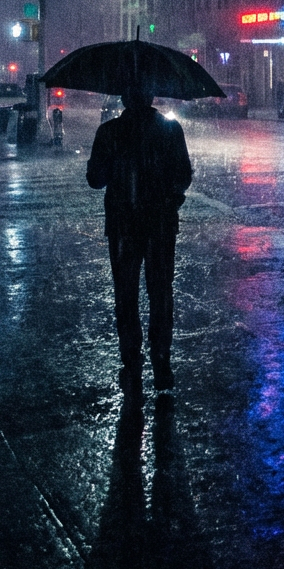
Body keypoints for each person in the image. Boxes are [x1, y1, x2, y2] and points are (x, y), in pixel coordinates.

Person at [87, 86, 193, 393]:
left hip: (123, 225)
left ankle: (131, 362)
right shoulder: (170, 130)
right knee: (160, 293)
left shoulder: (110, 131)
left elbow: (95, 179)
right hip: (159, 224)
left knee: (126, 294)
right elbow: (183, 175)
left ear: (124, 98)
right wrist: (168, 196)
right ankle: (162, 362)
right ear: (151, 97)